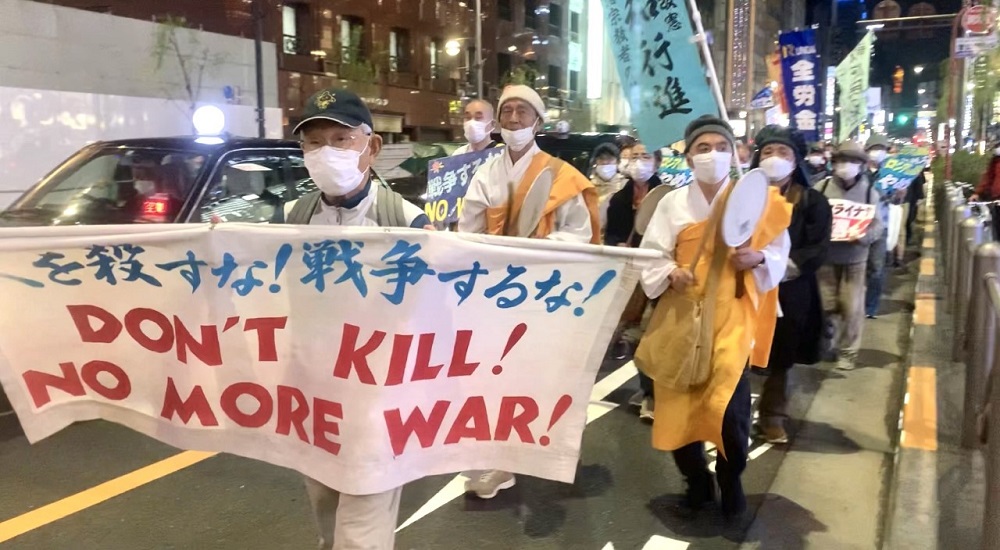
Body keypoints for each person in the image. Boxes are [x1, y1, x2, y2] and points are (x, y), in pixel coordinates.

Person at [286, 87, 432, 550]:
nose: (325, 151)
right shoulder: (289, 218)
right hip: (315, 392)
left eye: (340, 138)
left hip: (379, 395)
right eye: (313, 142)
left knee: (363, 523)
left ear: (372, 146)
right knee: (326, 503)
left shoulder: (408, 221)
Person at [635, 115, 792, 520]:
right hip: (682, 316)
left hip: (731, 317)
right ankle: (697, 483)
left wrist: (757, 257)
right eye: (702, 148)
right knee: (678, 408)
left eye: (721, 147)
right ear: (688, 158)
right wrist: (671, 272)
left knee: (730, 409)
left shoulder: (754, 200)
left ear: (735, 152)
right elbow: (652, 254)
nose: (712, 155)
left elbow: (778, 251)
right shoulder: (672, 203)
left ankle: (730, 477)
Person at [458, 84, 600, 499]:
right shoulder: (485, 172)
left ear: (538, 121)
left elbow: (581, 237)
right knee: (491, 380)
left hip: (544, 297)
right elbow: (469, 230)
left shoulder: (562, 175)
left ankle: (538, 450)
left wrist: (536, 251)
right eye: (507, 112)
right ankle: (499, 463)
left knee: (538, 380)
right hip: (492, 295)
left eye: (523, 111)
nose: (514, 119)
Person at [747, 126, 832, 444]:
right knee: (737, 349)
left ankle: (772, 416)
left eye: (783, 153)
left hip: (790, 289)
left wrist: (775, 265)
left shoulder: (813, 202)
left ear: (796, 162)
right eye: (768, 152)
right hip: (746, 286)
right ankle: (731, 413)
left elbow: (816, 250)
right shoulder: (742, 198)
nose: (774, 158)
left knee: (781, 355)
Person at [605, 140, 665, 414]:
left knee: (653, 336)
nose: (639, 162)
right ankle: (647, 389)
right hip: (628, 277)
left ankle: (654, 395)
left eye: (646, 156)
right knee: (632, 336)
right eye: (635, 156)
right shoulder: (618, 199)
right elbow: (612, 234)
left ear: (657, 162)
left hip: (658, 277)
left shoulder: (668, 197)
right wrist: (618, 244)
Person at [818, 141, 883, 371]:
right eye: (842, 160)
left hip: (855, 259)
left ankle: (849, 351)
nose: (847, 165)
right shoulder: (822, 188)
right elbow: (810, 219)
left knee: (852, 307)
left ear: (862, 165)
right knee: (826, 305)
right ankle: (830, 343)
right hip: (826, 259)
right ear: (834, 163)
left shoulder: (869, 192)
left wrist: (862, 236)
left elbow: (878, 226)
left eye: (853, 161)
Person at [863, 134, 892, 319]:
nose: (877, 152)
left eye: (881, 149)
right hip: (857, 226)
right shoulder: (857, 171)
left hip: (880, 227)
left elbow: (897, 199)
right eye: (874, 148)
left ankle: (870, 307)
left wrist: (899, 193)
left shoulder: (892, 173)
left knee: (876, 268)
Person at [589, 142, 627, 236]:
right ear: (595, 162)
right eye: (601, 159)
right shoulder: (587, 187)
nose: (605, 162)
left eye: (610, 159)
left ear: (618, 162)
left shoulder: (625, 186)